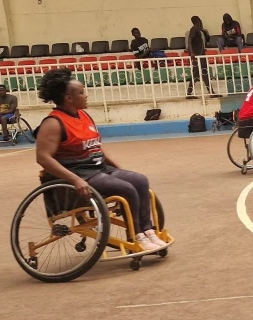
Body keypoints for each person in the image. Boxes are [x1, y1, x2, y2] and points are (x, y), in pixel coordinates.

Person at [34, 68, 169, 252]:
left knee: (139, 179)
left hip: (99, 169)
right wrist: (75, 179)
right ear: (69, 98)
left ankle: (148, 230)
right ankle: (137, 236)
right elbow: (42, 158)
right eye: (82, 92)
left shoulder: (83, 115)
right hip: (79, 174)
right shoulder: (53, 123)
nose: (87, 95)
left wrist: (120, 170)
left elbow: (95, 147)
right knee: (126, 188)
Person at [187, 16, 214, 97]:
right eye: (200, 21)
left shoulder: (199, 30)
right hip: (197, 55)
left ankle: (189, 93)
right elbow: (189, 40)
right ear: (198, 21)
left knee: (199, 73)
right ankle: (211, 92)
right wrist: (192, 53)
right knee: (202, 72)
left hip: (200, 54)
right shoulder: (194, 29)